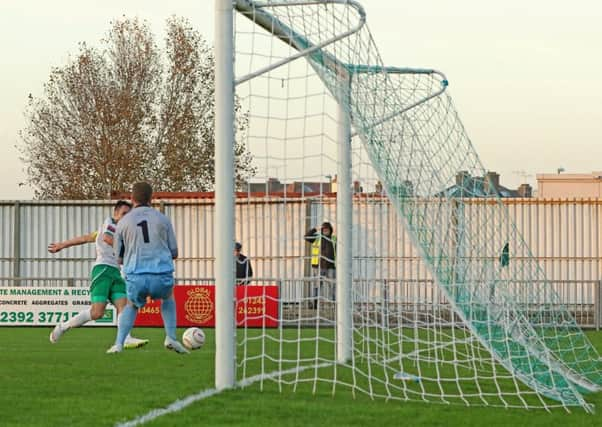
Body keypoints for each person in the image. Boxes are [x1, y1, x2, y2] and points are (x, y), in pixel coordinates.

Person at [48, 200, 149, 349]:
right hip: (102, 270)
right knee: (97, 313)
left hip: (115, 272)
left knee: (124, 305)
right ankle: (63, 327)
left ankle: (126, 337)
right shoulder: (110, 223)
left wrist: (63, 244)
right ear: (115, 213)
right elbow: (108, 239)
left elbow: (86, 238)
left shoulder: (119, 230)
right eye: (124, 214)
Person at [107, 182, 188, 354]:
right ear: (152, 198)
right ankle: (171, 337)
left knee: (131, 305)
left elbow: (119, 258)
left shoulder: (123, 223)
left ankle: (119, 344)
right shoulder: (163, 219)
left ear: (132, 198)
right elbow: (174, 252)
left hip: (136, 276)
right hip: (161, 274)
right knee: (168, 296)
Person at [304, 221, 336, 308]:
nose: (326, 230)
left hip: (331, 267)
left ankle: (335, 304)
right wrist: (315, 229)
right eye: (324, 229)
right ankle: (315, 304)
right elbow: (306, 237)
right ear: (321, 230)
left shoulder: (334, 239)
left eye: (327, 229)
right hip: (318, 266)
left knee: (333, 286)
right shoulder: (317, 238)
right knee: (317, 286)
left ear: (330, 230)